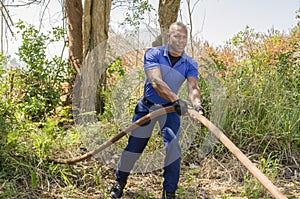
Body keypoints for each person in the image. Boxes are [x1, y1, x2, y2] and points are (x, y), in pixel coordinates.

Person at [110, 22, 204, 199]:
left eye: (184, 37)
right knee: (135, 146)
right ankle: (119, 182)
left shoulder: (190, 63)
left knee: (173, 147)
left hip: (169, 111)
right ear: (169, 37)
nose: (180, 40)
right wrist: (177, 100)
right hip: (147, 107)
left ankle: (169, 192)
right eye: (177, 36)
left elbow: (193, 87)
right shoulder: (153, 54)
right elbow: (156, 82)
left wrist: (197, 105)